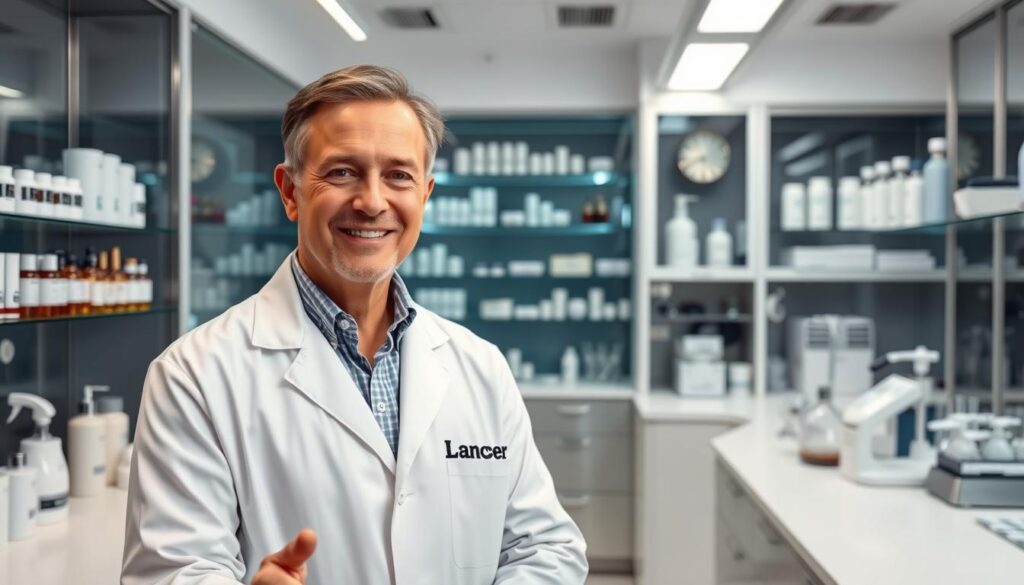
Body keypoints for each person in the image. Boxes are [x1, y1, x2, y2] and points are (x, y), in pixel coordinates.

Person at [121, 65, 587, 584]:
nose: (371, 201)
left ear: (425, 196)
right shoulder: (194, 375)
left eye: (399, 175)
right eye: (342, 172)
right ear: (290, 190)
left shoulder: (479, 365)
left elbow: (546, 548)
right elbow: (173, 572)